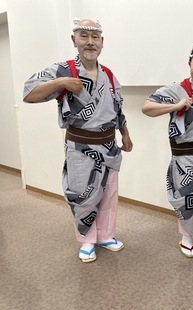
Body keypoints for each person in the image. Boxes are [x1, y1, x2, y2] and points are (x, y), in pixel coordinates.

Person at [23, 19, 133, 263]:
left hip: (109, 146)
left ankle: (106, 235)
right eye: (84, 36)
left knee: (108, 193)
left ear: (102, 42)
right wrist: (61, 83)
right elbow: (28, 93)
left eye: (95, 37)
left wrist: (125, 133)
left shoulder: (110, 75)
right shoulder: (63, 70)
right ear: (74, 40)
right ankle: (87, 239)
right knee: (83, 196)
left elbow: (118, 109)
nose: (90, 42)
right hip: (80, 147)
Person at [142, 45, 193, 258]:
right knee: (187, 197)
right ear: (189, 64)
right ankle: (187, 237)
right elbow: (147, 108)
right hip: (185, 156)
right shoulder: (175, 90)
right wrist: (176, 105)